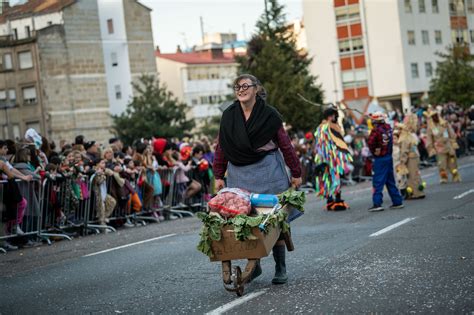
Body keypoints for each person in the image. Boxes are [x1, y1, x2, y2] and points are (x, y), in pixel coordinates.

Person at [213, 74, 302, 285]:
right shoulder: (229, 115)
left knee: (274, 220)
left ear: (256, 89)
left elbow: (285, 145)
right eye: (237, 86)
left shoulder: (270, 115)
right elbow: (221, 146)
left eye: (245, 86)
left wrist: (296, 172)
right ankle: (256, 266)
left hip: (268, 171)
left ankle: (280, 267)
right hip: (238, 174)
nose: (241, 89)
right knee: (243, 220)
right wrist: (218, 174)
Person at [313, 106, 352, 210]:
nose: (335, 117)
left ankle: (330, 200)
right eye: (334, 115)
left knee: (327, 179)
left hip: (323, 158)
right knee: (335, 178)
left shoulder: (320, 127)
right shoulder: (331, 126)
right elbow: (339, 141)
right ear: (330, 116)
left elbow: (318, 144)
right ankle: (337, 200)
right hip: (333, 158)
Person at [367, 112, 404, 212]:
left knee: (378, 182)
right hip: (388, 156)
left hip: (380, 159)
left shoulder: (375, 130)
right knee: (390, 180)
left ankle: (377, 203)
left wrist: (375, 150)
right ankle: (397, 201)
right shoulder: (388, 128)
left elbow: (370, 142)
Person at [425, 109, 461, 183]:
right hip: (439, 148)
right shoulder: (430, 127)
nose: (435, 117)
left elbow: (451, 133)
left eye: (436, 116)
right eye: (433, 116)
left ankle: (455, 176)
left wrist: (453, 142)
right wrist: (431, 148)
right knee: (441, 164)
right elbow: (429, 139)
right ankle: (444, 178)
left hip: (448, 146)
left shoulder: (445, 123)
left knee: (453, 162)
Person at [396, 115, 425, 199]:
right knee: (416, 174)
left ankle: (415, 193)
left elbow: (404, 150)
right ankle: (420, 191)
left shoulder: (405, 136)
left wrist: (402, 161)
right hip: (415, 157)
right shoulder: (411, 134)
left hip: (410, 158)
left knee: (411, 176)